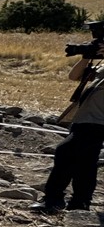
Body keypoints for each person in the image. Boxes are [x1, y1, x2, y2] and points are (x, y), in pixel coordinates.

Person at [31, 55, 104, 212]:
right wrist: (87, 56)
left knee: (66, 152)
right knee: (85, 161)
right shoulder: (102, 67)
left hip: (98, 122)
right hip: (83, 120)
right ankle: (79, 203)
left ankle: (55, 199)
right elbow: (74, 76)